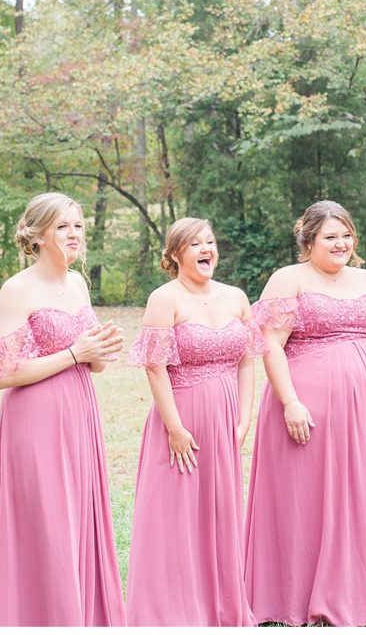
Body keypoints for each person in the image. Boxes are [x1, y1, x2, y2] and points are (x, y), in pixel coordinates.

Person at [243, 200, 366, 626]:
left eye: (346, 235)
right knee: (307, 498)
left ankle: (357, 590)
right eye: (330, 237)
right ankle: (295, 595)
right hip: (308, 406)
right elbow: (271, 344)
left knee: (360, 495)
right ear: (309, 240)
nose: (340, 244)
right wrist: (290, 401)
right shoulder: (289, 279)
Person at [0, 192, 126, 626]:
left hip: (79, 410)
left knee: (79, 516)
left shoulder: (77, 284)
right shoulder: (18, 289)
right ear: (38, 236)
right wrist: (76, 353)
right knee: (49, 523)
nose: (74, 234)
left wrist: (100, 349)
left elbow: (93, 360)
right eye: (63, 226)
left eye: (78, 225)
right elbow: (2, 373)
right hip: (36, 417)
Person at [125, 217, 258, 626]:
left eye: (210, 242)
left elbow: (249, 360)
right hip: (181, 416)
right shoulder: (165, 299)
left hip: (224, 418)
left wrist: (244, 418)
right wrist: (175, 428)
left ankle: (220, 605)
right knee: (175, 514)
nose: (206, 249)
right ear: (175, 255)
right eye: (195, 244)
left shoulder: (236, 296)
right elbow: (154, 368)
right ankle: (170, 612)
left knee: (218, 512)